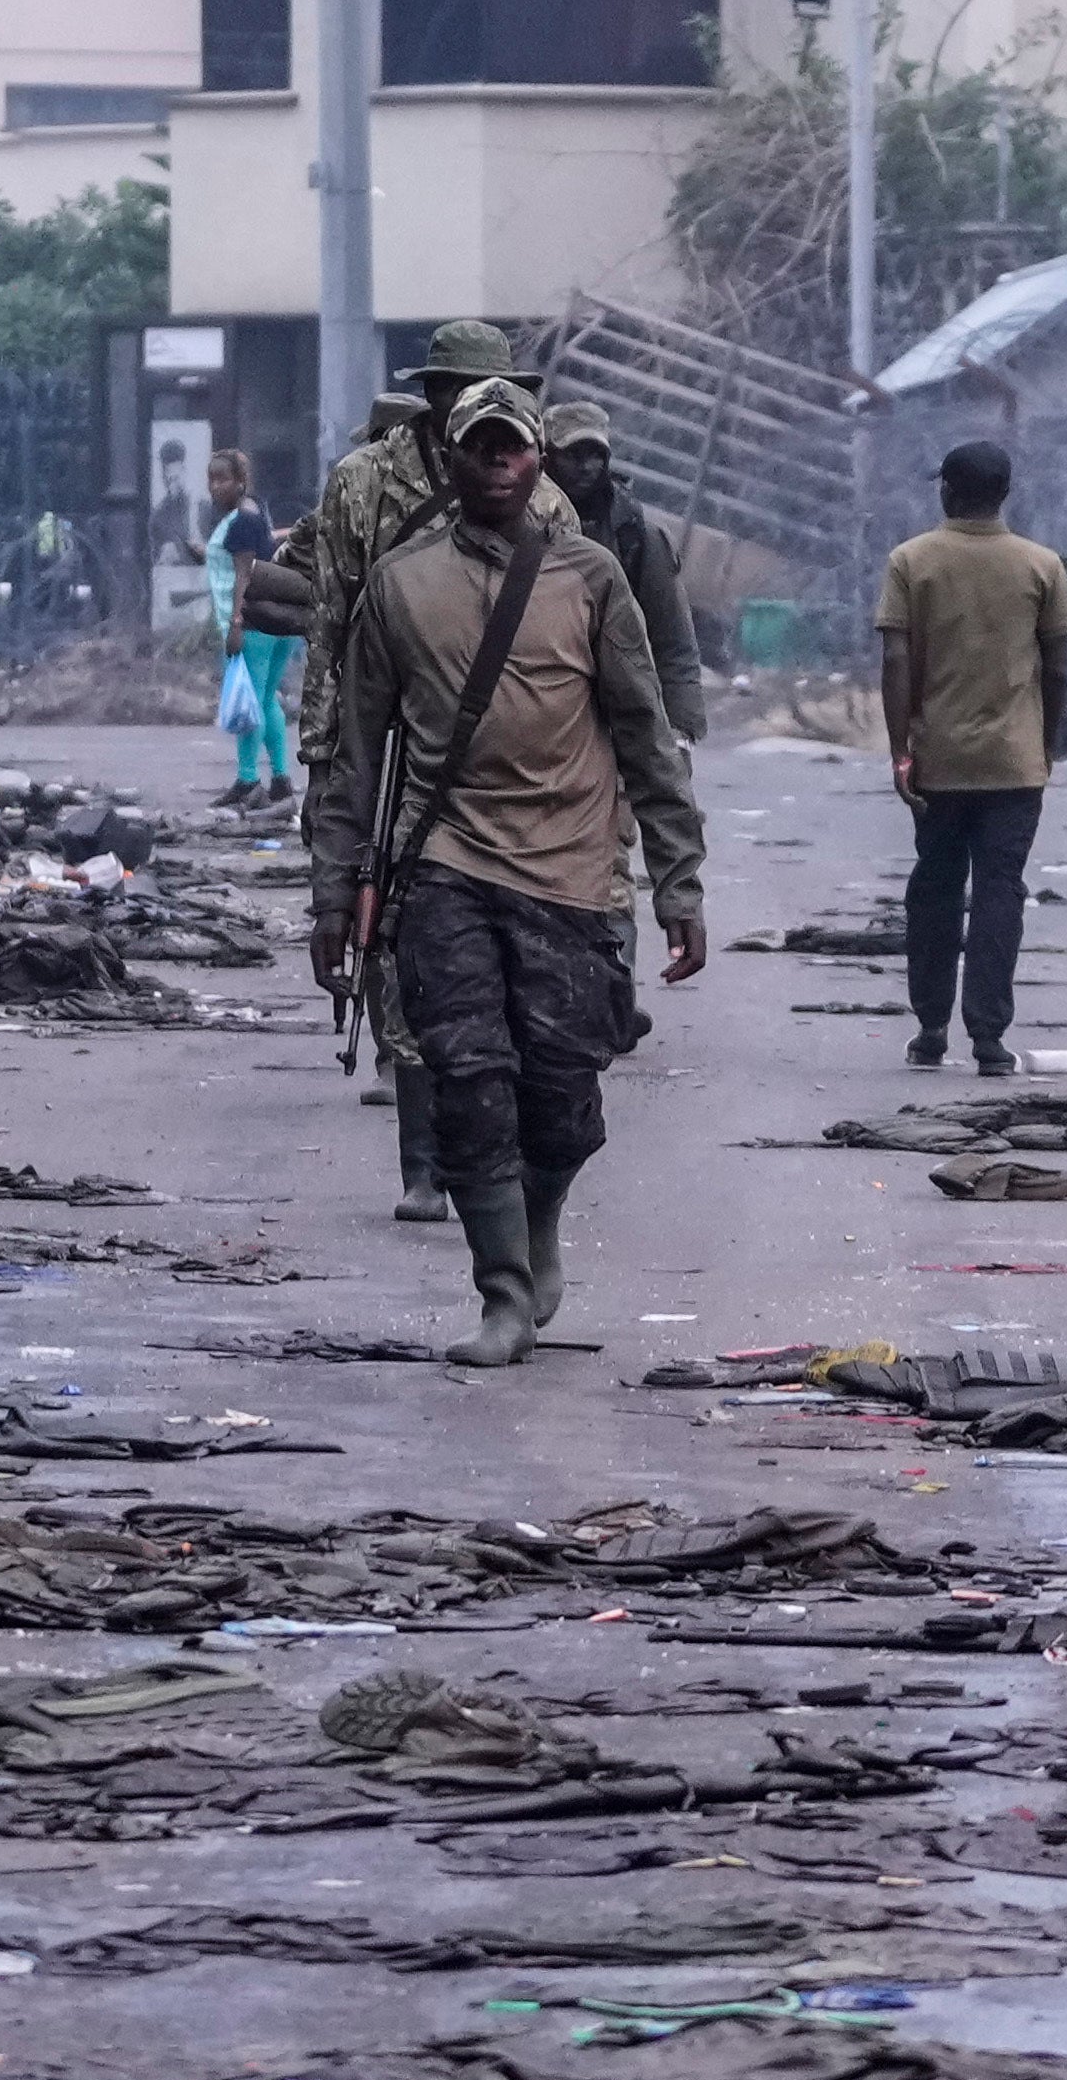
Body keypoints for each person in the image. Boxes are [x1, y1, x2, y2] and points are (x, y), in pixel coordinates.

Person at [310, 377, 707, 1367]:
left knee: (561, 1094)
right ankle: (499, 1292)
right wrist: (332, 893)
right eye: (476, 446)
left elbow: (644, 733)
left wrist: (678, 882)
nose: (494, 460)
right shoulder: (399, 586)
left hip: (573, 872)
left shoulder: (589, 578)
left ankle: (539, 1227)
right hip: (447, 863)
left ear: (535, 460)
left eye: (510, 447)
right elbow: (356, 753)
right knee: (467, 1074)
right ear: (448, 457)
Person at [257, 319, 583, 1219]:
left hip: (500, 747)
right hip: (388, 728)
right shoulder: (363, 482)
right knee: (389, 928)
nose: (470, 412)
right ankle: (421, 1161)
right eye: (454, 395)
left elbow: (571, 626)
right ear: (434, 394)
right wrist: (328, 755)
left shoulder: (544, 498)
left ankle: (488, 1141)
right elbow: (331, 624)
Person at [871, 436, 1067, 1075]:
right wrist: (1045, 744)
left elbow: (897, 660)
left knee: (934, 889)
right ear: (1005, 493)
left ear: (947, 491)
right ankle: (989, 1037)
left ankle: (930, 1027)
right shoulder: (1042, 566)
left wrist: (900, 749)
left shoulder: (912, 561)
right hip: (1015, 765)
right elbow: (1059, 668)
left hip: (940, 762)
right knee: (1000, 894)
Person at [544, 401, 707, 748]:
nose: (587, 467)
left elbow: (673, 639)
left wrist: (681, 729)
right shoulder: (524, 529)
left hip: (620, 718)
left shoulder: (639, 538)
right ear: (547, 457)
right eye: (573, 455)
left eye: (596, 455)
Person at [202, 450, 292, 806]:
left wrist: (236, 623)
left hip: (251, 624)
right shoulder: (254, 513)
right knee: (266, 699)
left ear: (240, 482)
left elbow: (245, 574)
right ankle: (282, 779)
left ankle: (247, 780)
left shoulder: (241, 520)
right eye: (211, 479)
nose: (214, 487)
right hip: (276, 621)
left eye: (222, 479)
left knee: (247, 703)